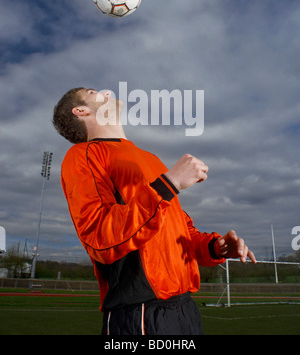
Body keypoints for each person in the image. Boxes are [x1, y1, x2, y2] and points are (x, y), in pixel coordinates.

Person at [53, 87, 256, 335]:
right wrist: (169, 183)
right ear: (81, 111)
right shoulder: (83, 155)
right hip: (138, 313)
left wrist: (215, 246)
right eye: (93, 91)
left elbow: (180, 231)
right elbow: (99, 238)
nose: (107, 91)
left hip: (185, 310)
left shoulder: (151, 158)